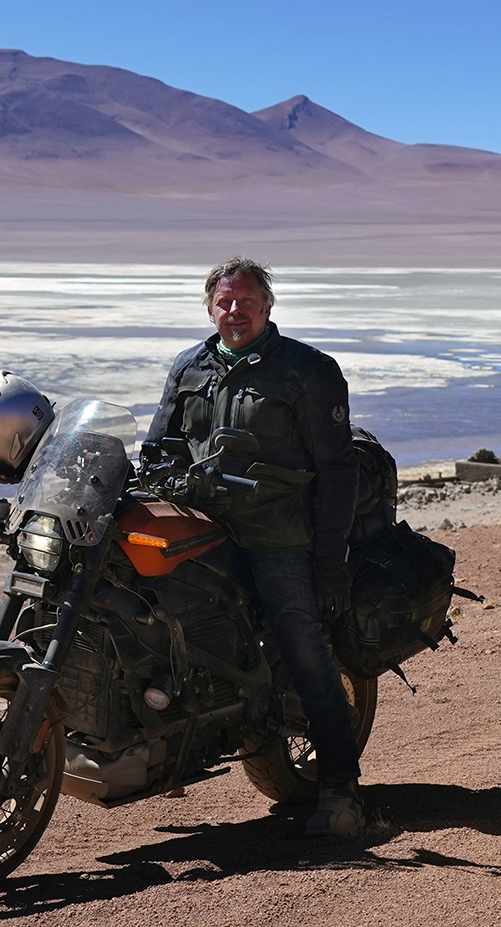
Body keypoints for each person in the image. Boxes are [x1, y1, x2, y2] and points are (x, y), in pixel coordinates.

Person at [148, 256, 364, 836]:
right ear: (209, 306)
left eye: (246, 300)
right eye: (224, 301)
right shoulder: (189, 366)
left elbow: (337, 471)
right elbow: (159, 447)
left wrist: (329, 562)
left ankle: (342, 792)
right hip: (197, 523)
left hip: (277, 530)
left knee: (302, 645)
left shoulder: (306, 370)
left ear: (268, 306)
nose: (234, 310)